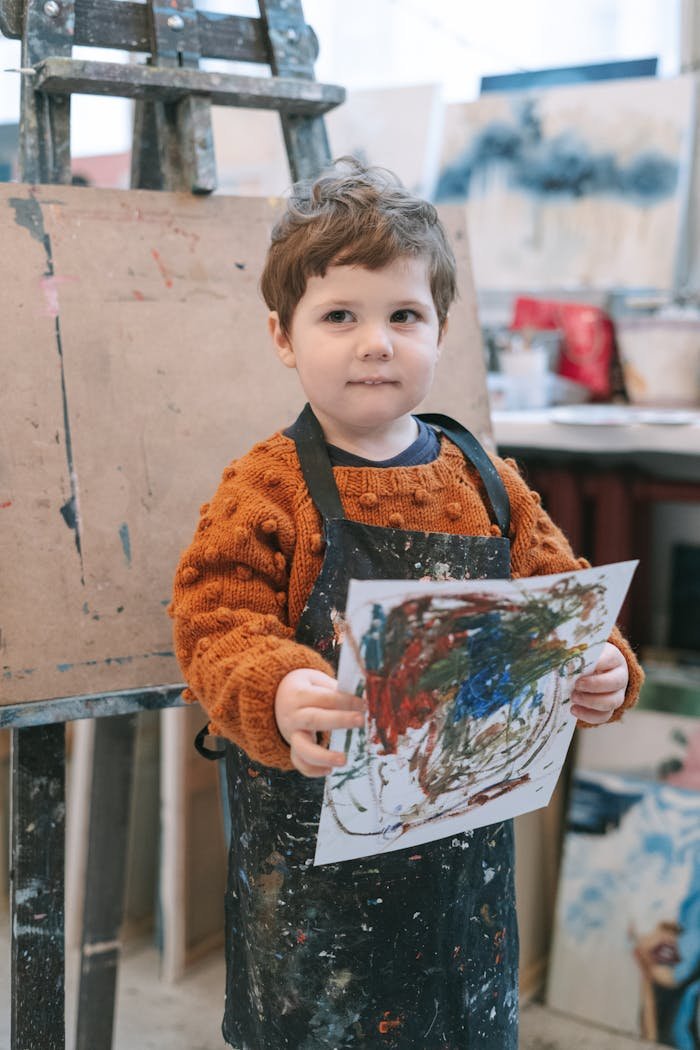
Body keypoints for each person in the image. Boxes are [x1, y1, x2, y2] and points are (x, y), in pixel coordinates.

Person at [171, 157, 644, 1049]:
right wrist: (272, 688)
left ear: (442, 329)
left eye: (403, 316)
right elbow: (213, 619)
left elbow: (565, 602)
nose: (375, 342)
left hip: (463, 877)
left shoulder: (490, 483)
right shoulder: (266, 489)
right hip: (313, 879)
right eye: (339, 316)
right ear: (283, 335)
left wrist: (604, 666)